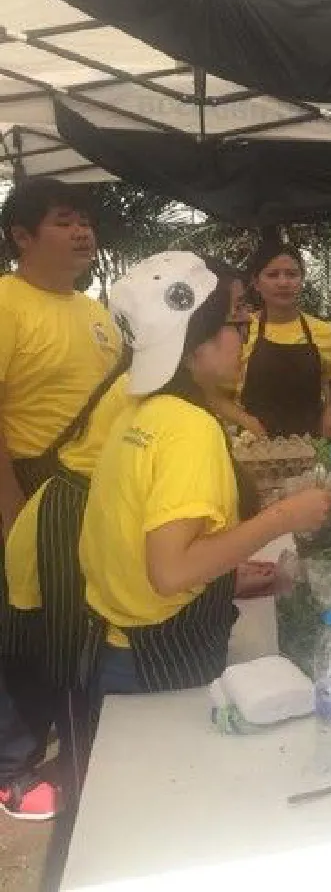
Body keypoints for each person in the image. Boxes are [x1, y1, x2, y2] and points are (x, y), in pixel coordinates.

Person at [78, 252, 331, 696]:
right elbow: (172, 571)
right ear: (195, 343)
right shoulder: (188, 428)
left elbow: (143, 541)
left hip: (113, 639)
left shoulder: (143, 411)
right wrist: (286, 517)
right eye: (236, 322)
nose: (246, 331)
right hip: (156, 653)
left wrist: (223, 572)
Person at [0, 178, 122, 820]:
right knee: (22, 631)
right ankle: (13, 769)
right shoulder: (6, 303)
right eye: (64, 221)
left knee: (74, 628)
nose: (83, 232)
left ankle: (77, 749)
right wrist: (11, 509)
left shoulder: (95, 311)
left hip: (93, 495)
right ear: (22, 236)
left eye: (86, 222)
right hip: (29, 486)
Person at [211, 242, 331, 440]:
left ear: (302, 280)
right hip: (252, 449)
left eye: (292, 274)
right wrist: (246, 422)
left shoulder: (324, 332)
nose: (283, 283)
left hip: (309, 448)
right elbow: (215, 395)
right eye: (273, 275)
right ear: (256, 283)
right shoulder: (240, 330)